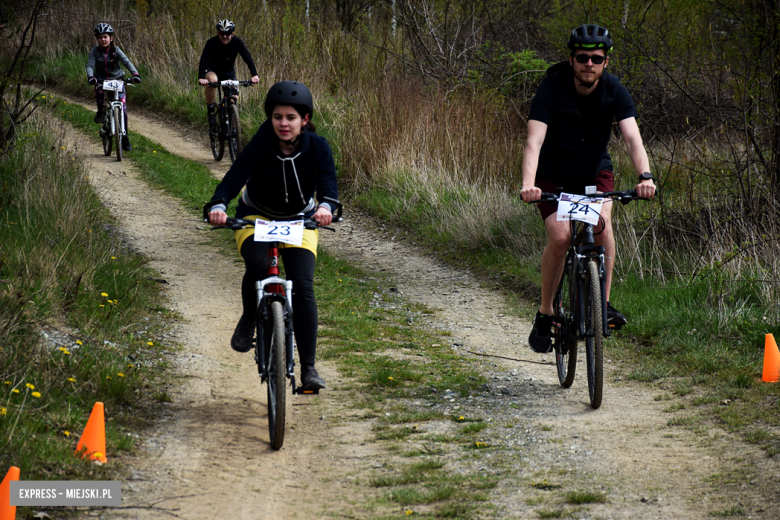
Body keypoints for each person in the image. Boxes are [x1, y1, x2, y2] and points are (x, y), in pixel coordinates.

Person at [520, 24, 656, 353]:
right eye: (583, 57)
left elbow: (632, 137)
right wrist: (528, 184)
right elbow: (533, 141)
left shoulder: (614, 90)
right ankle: (546, 312)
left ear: (605, 62)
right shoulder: (551, 87)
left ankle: (602, 305)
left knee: (602, 225)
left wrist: (645, 176)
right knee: (562, 236)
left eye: (596, 58)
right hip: (552, 175)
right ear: (571, 60)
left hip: (594, 173)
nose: (589, 64)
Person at [207, 80, 337, 390]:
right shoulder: (259, 145)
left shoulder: (318, 147)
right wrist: (218, 204)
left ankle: (308, 368)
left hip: (300, 221)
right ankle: (249, 317)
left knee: (303, 286)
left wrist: (327, 207)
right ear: (270, 118)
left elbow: (328, 187)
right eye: (277, 116)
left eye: (291, 117)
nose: (283, 123)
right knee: (259, 265)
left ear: (304, 119)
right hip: (256, 217)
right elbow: (233, 178)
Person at [86, 23, 141, 151]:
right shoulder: (94, 51)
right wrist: (90, 77)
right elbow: (90, 65)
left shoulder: (116, 50)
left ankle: (125, 138)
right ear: (97, 39)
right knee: (99, 90)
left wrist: (135, 74)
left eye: (105, 37)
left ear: (111, 38)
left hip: (117, 80)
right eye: (100, 37)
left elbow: (126, 62)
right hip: (101, 80)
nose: (103, 40)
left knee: (123, 109)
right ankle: (100, 111)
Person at [197, 20, 260, 127]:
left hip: (229, 72)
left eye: (228, 33)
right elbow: (203, 60)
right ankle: (211, 110)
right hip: (212, 70)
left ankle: (234, 132)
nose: (225, 36)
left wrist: (255, 75)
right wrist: (201, 77)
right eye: (222, 33)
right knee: (212, 81)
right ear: (218, 33)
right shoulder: (211, 42)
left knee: (233, 100)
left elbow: (247, 57)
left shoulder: (237, 42)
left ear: (232, 33)